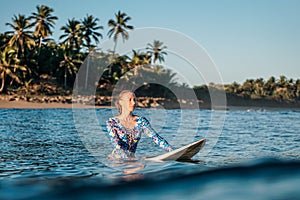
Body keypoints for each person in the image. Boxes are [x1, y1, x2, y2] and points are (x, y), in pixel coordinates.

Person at [106, 90, 173, 159]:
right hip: (117, 161)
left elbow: (156, 138)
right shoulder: (112, 122)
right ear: (121, 102)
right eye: (130, 100)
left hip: (132, 160)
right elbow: (117, 144)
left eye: (134, 100)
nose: (133, 103)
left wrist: (171, 151)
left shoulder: (141, 121)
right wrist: (132, 159)